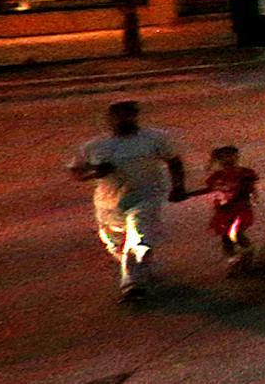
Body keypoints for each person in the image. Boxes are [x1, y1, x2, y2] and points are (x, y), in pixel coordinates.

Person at [66, 100, 186, 301]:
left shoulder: (155, 138)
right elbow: (77, 171)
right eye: (118, 116)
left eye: (128, 115)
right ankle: (142, 270)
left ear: (135, 116)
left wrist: (178, 187)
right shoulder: (95, 147)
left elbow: (174, 161)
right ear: (109, 119)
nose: (123, 120)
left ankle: (131, 286)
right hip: (109, 204)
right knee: (116, 245)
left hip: (146, 197)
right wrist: (95, 172)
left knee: (139, 238)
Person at [181, 145, 259, 273]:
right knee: (225, 237)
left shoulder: (245, 173)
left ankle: (247, 253)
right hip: (223, 211)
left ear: (236, 157)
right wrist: (189, 194)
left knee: (237, 232)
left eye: (231, 156)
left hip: (240, 208)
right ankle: (233, 261)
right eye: (224, 158)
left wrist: (252, 197)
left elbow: (251, 188)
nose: (228, 160)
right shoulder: (217, 176)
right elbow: (208, 188)